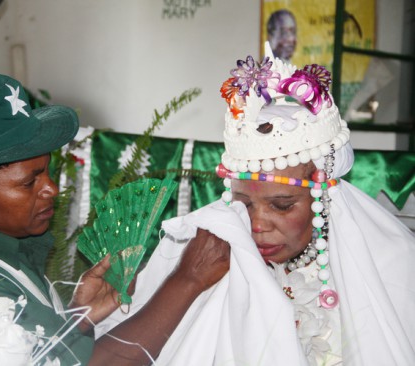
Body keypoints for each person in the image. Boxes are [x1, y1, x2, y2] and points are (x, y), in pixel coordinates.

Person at [96, 46, 415, 365]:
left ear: (324, 197)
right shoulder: (208, 257)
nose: (257, 225)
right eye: (244, 204)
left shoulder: (390, 264)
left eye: (282, 205)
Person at [0, 74, 230, 365]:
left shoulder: (0, 243)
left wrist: (74, 320)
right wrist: (187, 280)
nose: (51, 188)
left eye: (48, 171)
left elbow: (26, 351)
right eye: (29, 182)